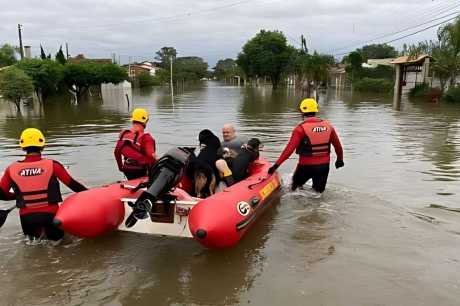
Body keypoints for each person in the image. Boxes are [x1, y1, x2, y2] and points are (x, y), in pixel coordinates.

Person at [0, 128, 87, 241]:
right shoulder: (53, 165)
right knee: (59, 246)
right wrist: (91, 193)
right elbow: (74, 185)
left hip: (27, 219)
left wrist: (19, 195)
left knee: (34, 248)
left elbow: (1, 194)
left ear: (22, 147)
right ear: (42, 145)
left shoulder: (10, 169)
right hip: (51, 216)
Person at [268, 98, 344, 193]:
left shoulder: (300, 129)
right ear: (316, 110)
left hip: (305, 166)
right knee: (318, 194)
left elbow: (289, 150)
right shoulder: (329, 127)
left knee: (294, 190)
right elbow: (338, 146)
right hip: (323, 167)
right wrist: (340, 160)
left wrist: (275, 165)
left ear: (302, 112)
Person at [114, 108, 157, 179]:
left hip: (127, 169)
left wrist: (121, 167)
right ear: (145, 121)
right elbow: (151, 155)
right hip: (140, 171)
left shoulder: (123, 134)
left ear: (133, 120)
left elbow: (116, 152)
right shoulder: (146, 137)